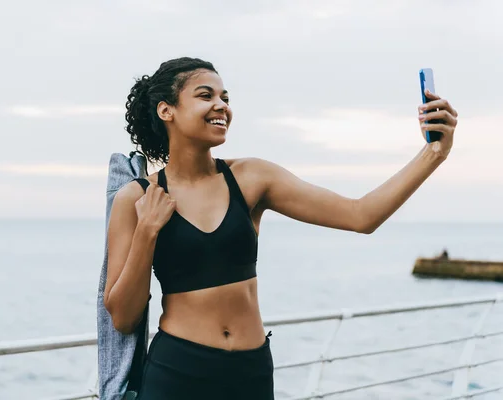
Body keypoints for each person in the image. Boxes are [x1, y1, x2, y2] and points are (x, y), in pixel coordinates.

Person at [103, 57, 458, 400]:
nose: (221, 106)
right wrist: (147, 231)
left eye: (225, 98)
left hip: (251, 372)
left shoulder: (253, 178)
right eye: (205, 95)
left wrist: (434, 155)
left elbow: (360, 215)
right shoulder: (137, 198)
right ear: (167, 111)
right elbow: (122, 317)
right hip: (177, 372)